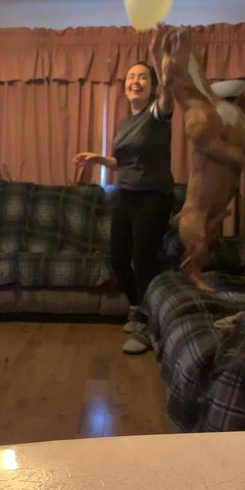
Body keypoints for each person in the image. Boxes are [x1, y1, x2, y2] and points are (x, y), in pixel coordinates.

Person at [73, 54, 174, 354]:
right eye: (131, 77)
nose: (135, 81)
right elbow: (124, 162)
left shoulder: (157, 113)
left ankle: (148, 327)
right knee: (118, 257)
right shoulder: (125, 121)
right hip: (127, 193)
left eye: (142, 77)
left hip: (154, 195)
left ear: (153, 86)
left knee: (144, 261)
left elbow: (168, 96)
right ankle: (136, 308)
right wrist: (98, 158)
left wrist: (162, 62)